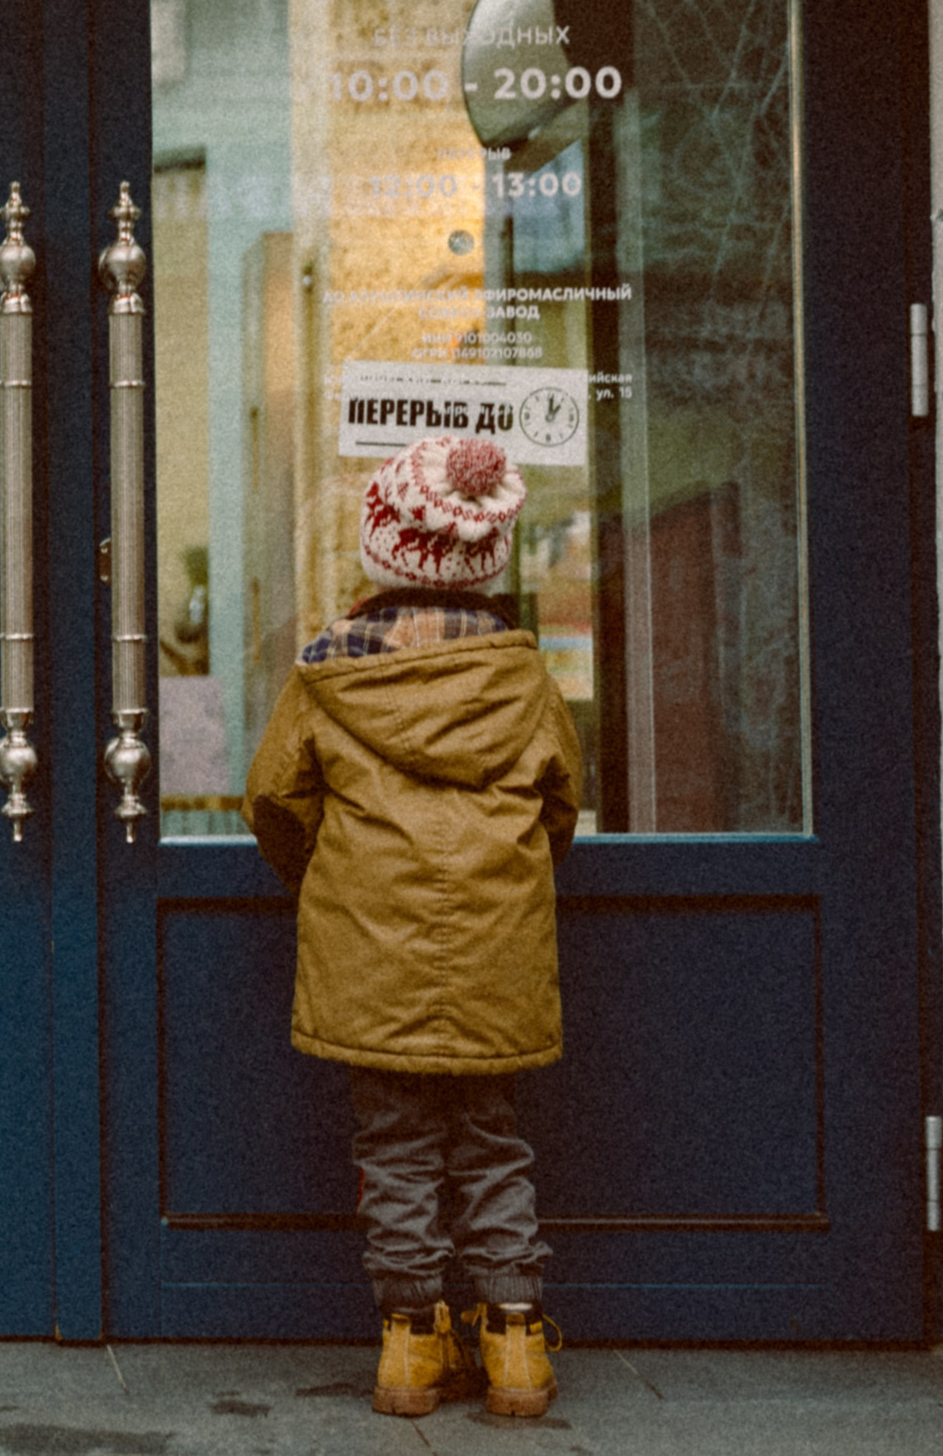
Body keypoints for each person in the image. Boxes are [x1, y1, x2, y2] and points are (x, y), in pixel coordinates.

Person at [242, 432, 582, 1419]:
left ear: (381, 551)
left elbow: (273, 801)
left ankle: (409, 1347)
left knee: (391, 1147)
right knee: (491, 1141)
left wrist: (330, 879)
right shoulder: (523, 679)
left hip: (369, 950)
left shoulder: (327, 670)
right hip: (495, 951)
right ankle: (516, 1348)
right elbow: (559, 805)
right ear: (485, 557)